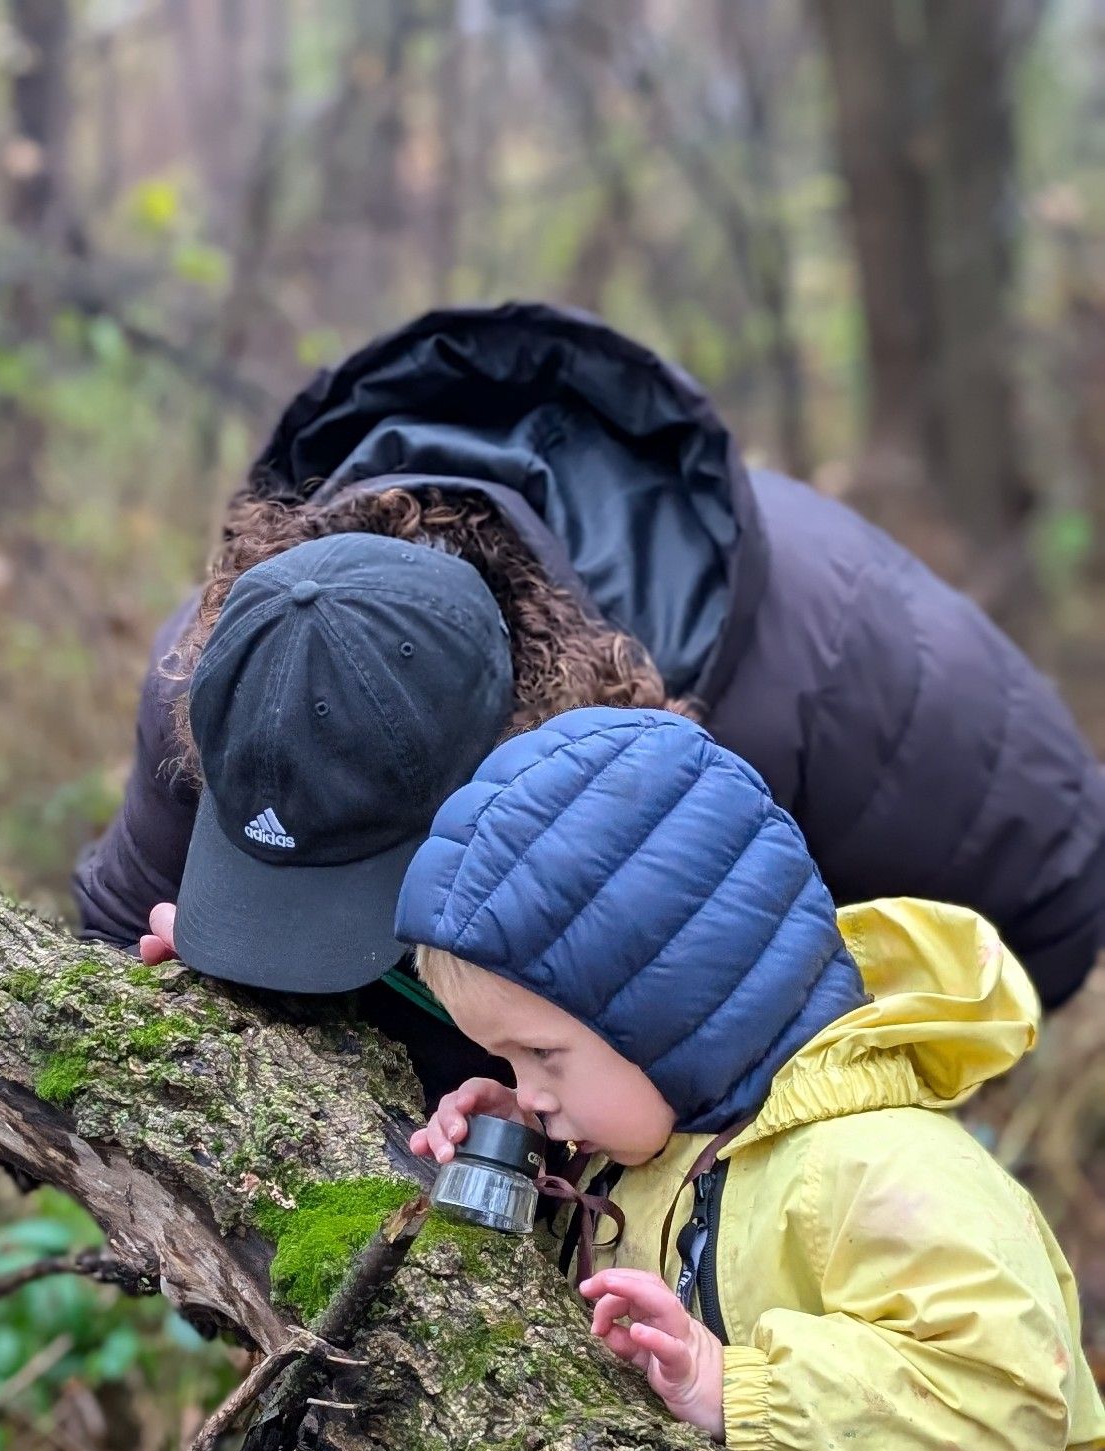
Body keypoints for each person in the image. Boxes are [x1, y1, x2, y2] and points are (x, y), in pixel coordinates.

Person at [76, 303, 1105, 1109]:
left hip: (965, 889)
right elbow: (120, 929)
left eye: (381, 866)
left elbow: (1049, 913)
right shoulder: (238, 662)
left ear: (524, 744)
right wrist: (186, 999)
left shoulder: (795, 705)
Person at [400, 705, 1105, 1451]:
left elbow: (999, 1403)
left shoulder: (881, 1165)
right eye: (508, 1060)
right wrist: (528, 1155)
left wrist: (739, 1389)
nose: (530, 1087)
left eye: (542, 1055)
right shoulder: (670, 1138)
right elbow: (665, 1268)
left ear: (668, 1011)